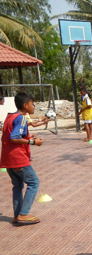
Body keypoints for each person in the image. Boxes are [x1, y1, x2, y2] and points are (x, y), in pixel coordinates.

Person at [0, 93, 44, 224]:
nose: (33, 106)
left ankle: (17, 214)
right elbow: (14, 138)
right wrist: (32, 143)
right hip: (18, 158)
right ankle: (24, 214)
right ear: (25, 105)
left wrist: (29, 138)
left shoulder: (9, 117)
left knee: (18, 186)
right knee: (34, 182)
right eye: (32, 103)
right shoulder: (22, 118)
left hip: (8, 160)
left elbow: (7, 137)